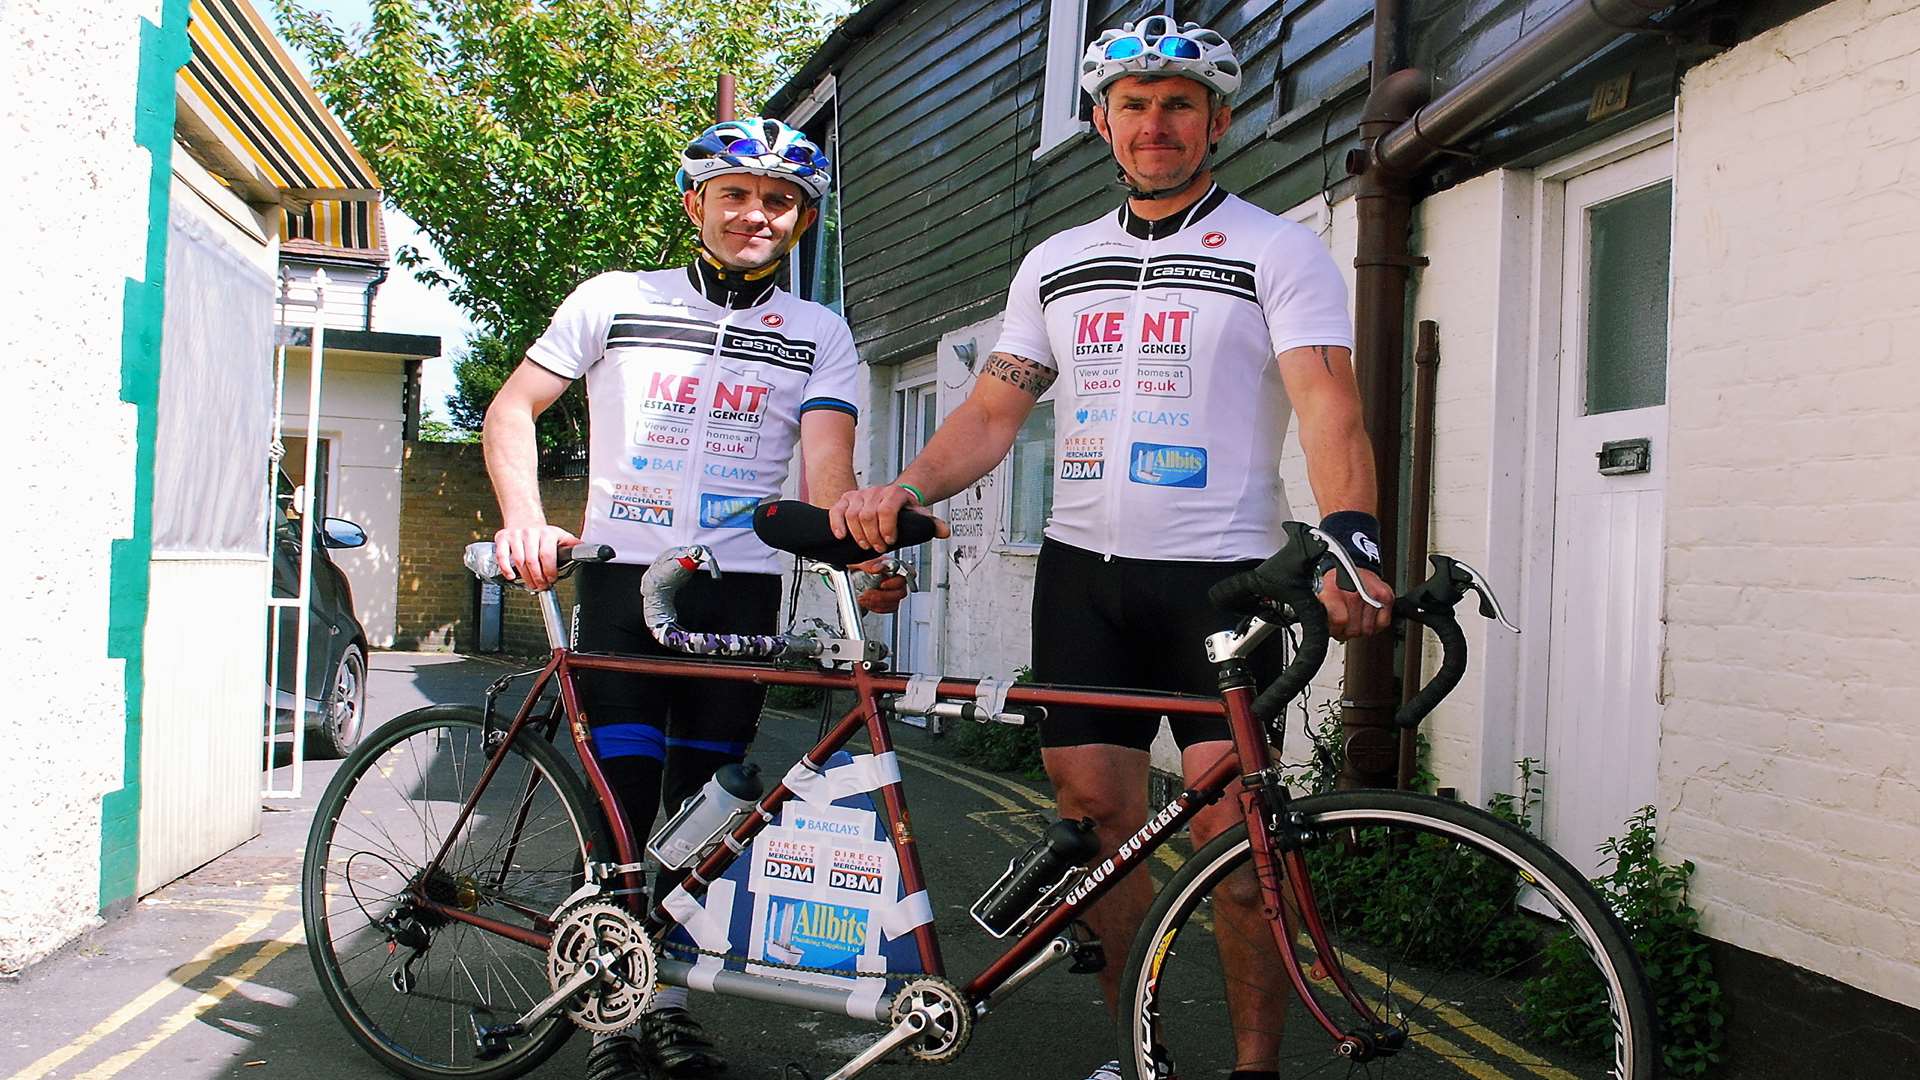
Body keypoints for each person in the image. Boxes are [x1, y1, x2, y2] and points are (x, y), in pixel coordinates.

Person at [830, 16, 1394, 1080]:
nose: (1155, 123)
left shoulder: (1278, 249)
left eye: (1179, 103)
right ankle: (1142, 1054)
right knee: (1095, 830)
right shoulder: (1057, 262)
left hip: (1222, 583)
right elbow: (994, 415)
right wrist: (904, 487)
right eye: (1133, 104)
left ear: (1218, 120)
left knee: (1237, 854)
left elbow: (1329, 406)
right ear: (1101, 121)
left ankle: (1254, 1068)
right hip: (1083, 582)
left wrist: (1349, 538)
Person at [484, 117, 903, 1080]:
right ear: (696, 204)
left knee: (705, 813)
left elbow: (825, 475)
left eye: (781, 201)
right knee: (627, 806)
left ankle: (662, 1002)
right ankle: (610, 1018)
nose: (758, 213)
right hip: (626, 577)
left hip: (740, 590)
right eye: (737, 194)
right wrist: (523, 518)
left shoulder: (819, 334)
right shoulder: (616, 300)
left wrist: (854, 553)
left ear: (800, 220)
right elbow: (512, 408)